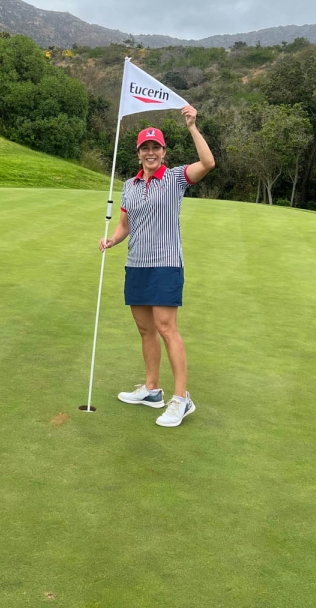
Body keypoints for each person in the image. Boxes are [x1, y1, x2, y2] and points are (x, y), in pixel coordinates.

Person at [98, 106, 215, 427]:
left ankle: (181, 398)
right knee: (145, 329)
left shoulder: (175, 178)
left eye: (156, 147)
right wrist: (112, 240)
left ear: (164, 152)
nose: (150, 152)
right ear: (138, 153)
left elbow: (208, 163)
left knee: (166, 328)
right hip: (136, 265)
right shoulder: (129, 186)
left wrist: (192, 126)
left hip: (165, 264)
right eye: (145, 148)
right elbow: (125, 224)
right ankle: (152, 390)